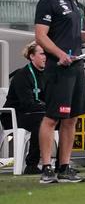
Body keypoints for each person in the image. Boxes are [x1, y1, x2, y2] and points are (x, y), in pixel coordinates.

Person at [35, 0, 85, 184]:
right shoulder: (48, 1)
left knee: (72, 118)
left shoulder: (73, 4)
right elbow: (41, 36)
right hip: (58, 69)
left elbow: (76, 35)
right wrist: (60, 54)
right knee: (52, 117)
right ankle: (46, 167)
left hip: (76, 67)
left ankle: (64, 166)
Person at [1, 42, 47, 174]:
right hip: (15, 116)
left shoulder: (46, 74)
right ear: (32, 56)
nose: (45, 57)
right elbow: (27, 103)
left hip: (36, 113)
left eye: (46, 54)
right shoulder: (22, 75)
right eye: (42, 53)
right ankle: (31, 165)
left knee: (62, 118)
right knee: (42, 121)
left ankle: (61, 164)